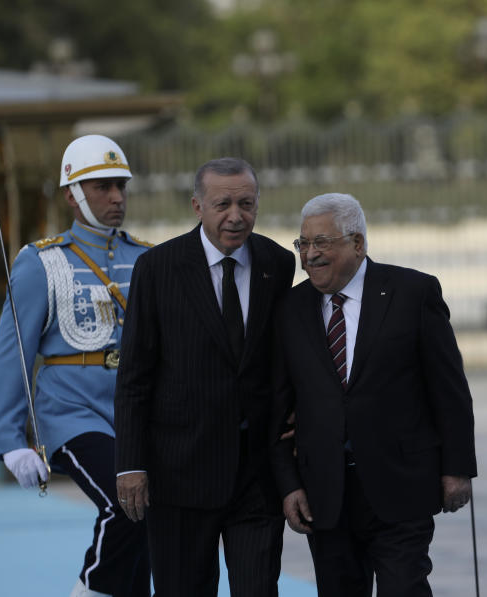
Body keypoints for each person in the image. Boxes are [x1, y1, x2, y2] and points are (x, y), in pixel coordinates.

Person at [270, 192, 477, 597]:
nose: (309, 255)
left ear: (358, 243)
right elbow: (278, 405)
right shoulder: (291, 308)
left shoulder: (413, 293)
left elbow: (449, 388)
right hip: (325, 493)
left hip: (401, 484)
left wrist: (457, 468)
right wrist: (288, 484)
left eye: (321, 243)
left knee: (404, 588)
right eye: (303, 244)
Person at [114, 157, 295, 596]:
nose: (237, 215)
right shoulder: (157, 269)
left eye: (247, 203)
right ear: (197, 206)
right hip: (179, 474)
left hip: (256, 476)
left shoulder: (278, 264)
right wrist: (131, 464)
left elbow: (282, 360)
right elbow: (135, 375)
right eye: (223, 204)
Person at [0, 134, 151, 597]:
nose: (117, 197)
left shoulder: (146, 257)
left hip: (137, 416)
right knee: (125, 505)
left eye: (121, 185)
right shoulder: (40, 261)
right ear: (72, 194)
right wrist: (8, 440)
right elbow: (14, 352)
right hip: (72, 414)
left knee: (151, 520)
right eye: (102, 186)